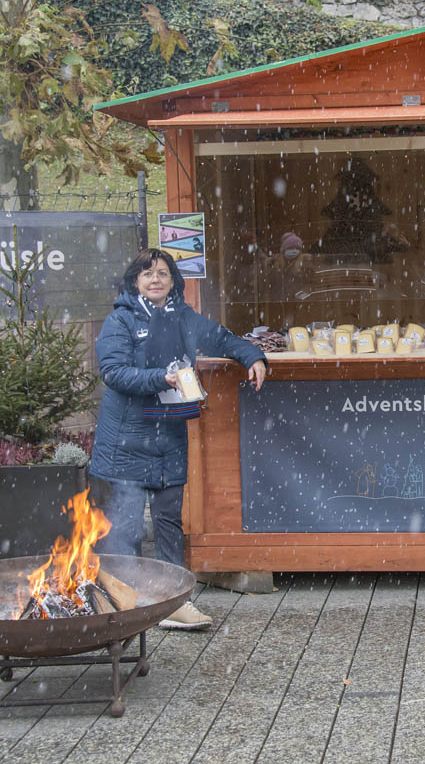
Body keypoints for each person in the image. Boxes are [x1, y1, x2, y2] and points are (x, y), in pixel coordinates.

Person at [91, 248, 267, 631]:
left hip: (169, 435)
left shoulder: (182, 317)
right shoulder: (120, 320)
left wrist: (252, 356)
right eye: (147, 274)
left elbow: (220, 338)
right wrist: (161, 378)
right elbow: (114, 372)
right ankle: (128, 604)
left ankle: (171, 603)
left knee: (170, 521)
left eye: (163, 274)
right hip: (126, 440)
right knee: (126, 527)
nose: (156, 279)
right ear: (134, 282)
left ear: (173, 282)